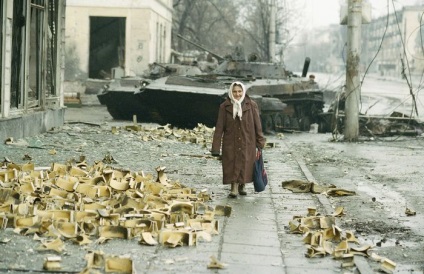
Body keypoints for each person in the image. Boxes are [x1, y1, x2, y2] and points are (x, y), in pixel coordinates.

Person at [211, 81, 266, 198]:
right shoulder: (224, 106)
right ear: (231, 92)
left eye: (240, 91)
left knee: (245, 162)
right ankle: (234, 186)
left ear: (243, 92)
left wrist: (260, 141)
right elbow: (219, 127)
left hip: (248, 141)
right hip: (230, 141)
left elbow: (258, 125)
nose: (237, 94)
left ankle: (242, 185)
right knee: (231, 162)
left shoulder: (251, 105)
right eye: (234, 91)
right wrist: (216, 148)